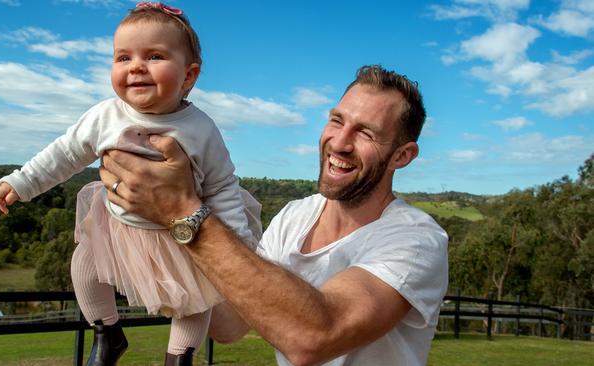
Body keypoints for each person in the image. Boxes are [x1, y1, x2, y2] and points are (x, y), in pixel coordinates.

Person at [99, 64, 449, 365]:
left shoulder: (416, 241)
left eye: (365, 133)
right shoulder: (294, 216)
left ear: (402, 156)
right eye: (336, 120)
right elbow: (230, 325)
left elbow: (312, 338)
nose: (340, 143)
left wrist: (183, 212)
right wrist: (157, 222)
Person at [0, 2, 260, 365]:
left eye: (154, 56)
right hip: (119, 227)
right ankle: (107, 333)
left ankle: (179, 356)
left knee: (194, 296)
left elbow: (223, 187)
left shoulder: (201, 128)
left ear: (189, 75)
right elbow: (65, 153)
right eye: (122, 58)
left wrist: (238, 249)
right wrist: (21, 183)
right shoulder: (105, 115)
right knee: (84, 265)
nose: (136, 66)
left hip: (182, 233)